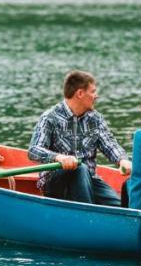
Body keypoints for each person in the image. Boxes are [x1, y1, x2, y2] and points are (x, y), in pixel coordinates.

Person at [28, 70, 132, 205]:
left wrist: (122, 160)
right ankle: (88, 216)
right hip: (55, 183)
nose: (96, 96)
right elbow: (33, 150)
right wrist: (59, 157)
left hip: (89, 179)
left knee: (120, 207)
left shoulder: (96, 119)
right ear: (80, 93)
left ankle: (96, 212)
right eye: (93, 91)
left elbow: (110, 144)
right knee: (79, 167)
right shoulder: (49, 117)